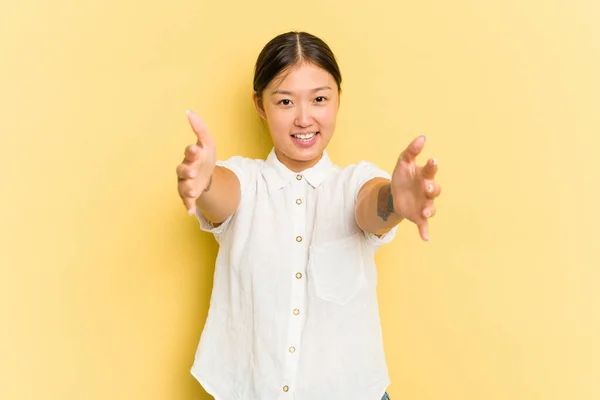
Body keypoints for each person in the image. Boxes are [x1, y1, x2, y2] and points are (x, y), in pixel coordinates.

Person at [176, 31, 441, 400]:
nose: (304, 119)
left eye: (319, 99)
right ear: (259, 104)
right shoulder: (246, 181)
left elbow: (372, 208)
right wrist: (202, 181)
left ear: (337, 99)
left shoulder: (354, 183)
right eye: (285, 101)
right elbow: (221, 193)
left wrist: (396, 202)